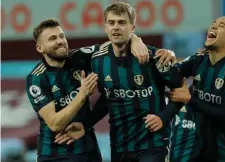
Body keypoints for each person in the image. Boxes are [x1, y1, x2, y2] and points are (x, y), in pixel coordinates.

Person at [25, 18, 154, 162]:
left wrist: (135, 39)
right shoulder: (36, 79)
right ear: (40, 48)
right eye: (52, 38)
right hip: (54, 154)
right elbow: (55, 123)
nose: (60, 41)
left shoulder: (79, 57)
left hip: (88, 151)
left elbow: (113, 45)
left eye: (62, 36)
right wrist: (82, 94)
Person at [168, 16, 225, 162]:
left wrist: (189, 98)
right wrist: (166, 55)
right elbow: (168, 75)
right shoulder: (198, 60)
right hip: (204, 151)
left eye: (221, 25)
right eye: (213, 23)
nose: (213, 26)